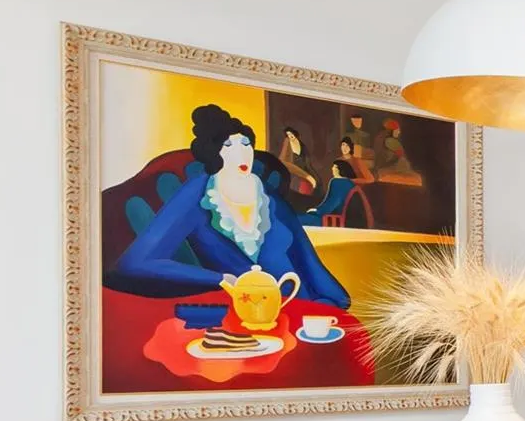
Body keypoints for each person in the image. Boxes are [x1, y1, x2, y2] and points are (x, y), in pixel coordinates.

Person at [106, 103, 351, 306]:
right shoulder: (198, 193)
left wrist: (331, 303)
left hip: (299, 305)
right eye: (228, 146)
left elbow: (307, 258)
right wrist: (220, 279)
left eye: (246, 145)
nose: (241, 155)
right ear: (214, 152)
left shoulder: (268, 196)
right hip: (244, 311)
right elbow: (135, 262)